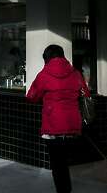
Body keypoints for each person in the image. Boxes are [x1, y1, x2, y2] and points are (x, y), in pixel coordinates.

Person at [26, 44, 90, 193]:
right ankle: (66, 188)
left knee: (57, 164)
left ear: (47, 58)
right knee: (65, 162)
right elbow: (85, 93)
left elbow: (32, 96)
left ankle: (64, 190)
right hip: (73, 125)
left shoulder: (44, 74)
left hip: (53, 127)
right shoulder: (75, 73)